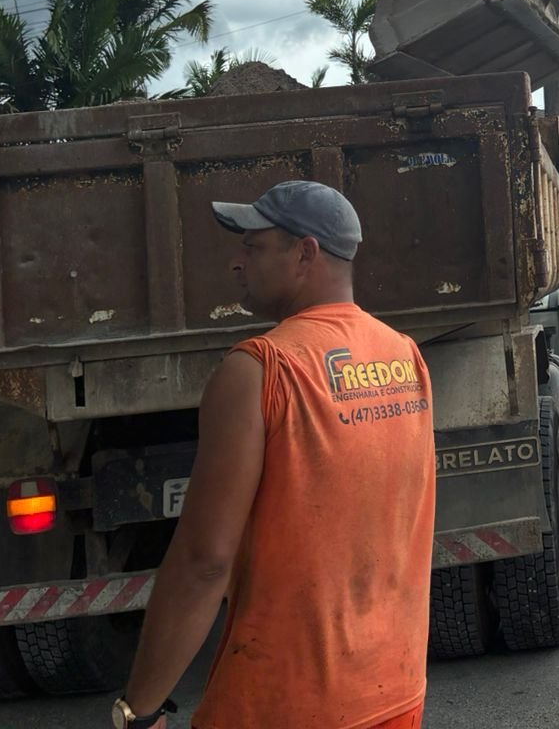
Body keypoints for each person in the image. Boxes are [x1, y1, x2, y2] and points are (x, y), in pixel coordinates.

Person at [112, 181, 436, 729]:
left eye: (254, 247)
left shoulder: (261, 369)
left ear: (305, 253)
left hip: (284, 702)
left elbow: (204, 560)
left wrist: (138, 709)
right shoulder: (403, 356)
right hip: (393, 689)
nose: (238, 263)